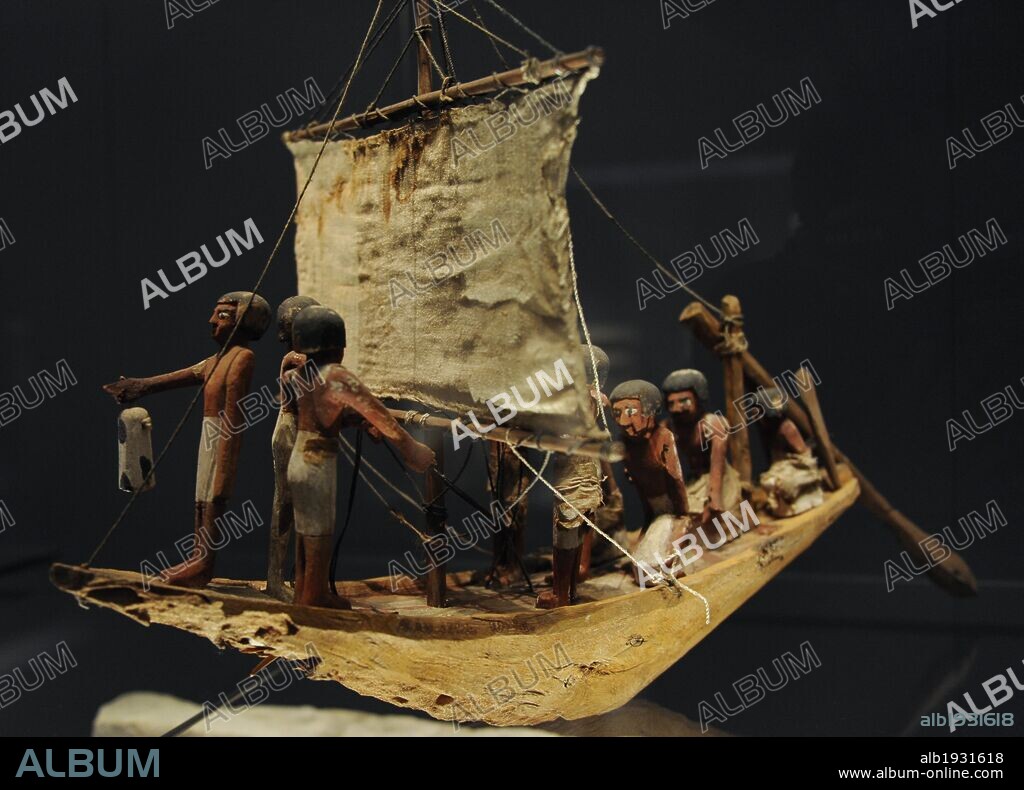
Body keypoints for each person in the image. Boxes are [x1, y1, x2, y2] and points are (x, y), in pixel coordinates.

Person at [102, 291, 272, 587]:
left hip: (222, 432)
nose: (211, 321)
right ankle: (197, 556)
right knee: (201, 496)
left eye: (221, 316)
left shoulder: (242, 358)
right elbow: (176, 377)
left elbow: (234, 414)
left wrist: (226, 462)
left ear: (243, 322)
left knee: (214, 494)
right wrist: (138, 386)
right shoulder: (215, 360)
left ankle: (205, 562)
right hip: (210, 430)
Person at [287, 305, 435, 609]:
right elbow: (380, 414)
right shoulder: (337, 375)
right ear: (337, 344)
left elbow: (325, 413)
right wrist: (412, 450)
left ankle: (304, 590)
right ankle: (314, 597)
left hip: (299, 458)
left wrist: (356, 421)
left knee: (305, 529)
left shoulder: (300, 374)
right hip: (317, 461)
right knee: (319, 530)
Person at [536, 348, 608, 609]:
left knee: (566, 530)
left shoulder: (582, 397)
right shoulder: (591, 397)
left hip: (575, 472)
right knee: (574, 527)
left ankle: (561, 594)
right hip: (582, 468)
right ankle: (570, 588)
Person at [266, 295, 320, 600]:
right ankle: (275, 580)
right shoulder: (296, 361)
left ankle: (303, 580)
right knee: (285, 504)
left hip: (301, 433)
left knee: (305, 508)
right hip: (290, 433)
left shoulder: (306, 362)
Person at [661, 369, 742, 541]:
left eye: (684, 401)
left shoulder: (713, 424)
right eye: (671, 403)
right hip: (693, 480)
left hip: (719, 480)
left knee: (715, 521)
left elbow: (717, 463)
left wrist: (714, 499)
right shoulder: (669, 427)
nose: (677, 408)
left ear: (698, 398)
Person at [755, 387, 824, 517]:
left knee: (777, 482)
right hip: (783, 464)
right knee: (768, 481)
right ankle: (783, 506)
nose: (758, 417)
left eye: (760, 412)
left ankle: (795, 502)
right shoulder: (771, 430)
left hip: (798, 465)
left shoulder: (787, 429)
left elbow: (802, 452)